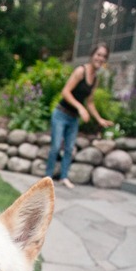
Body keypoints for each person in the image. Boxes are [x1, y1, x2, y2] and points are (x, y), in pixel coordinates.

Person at [45, 43, 114, 189]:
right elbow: (65, 92)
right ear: (92, 55)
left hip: (73, 118)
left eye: (104, 56)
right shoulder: (80, 71)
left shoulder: (95, 79)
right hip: (61, 114)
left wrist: (99, 119)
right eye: (98, 54)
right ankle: (47, 178)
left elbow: (90, 102)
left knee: (69, 149)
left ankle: (63, 177)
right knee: (56, 146)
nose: (100, 58)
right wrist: (80, 107)